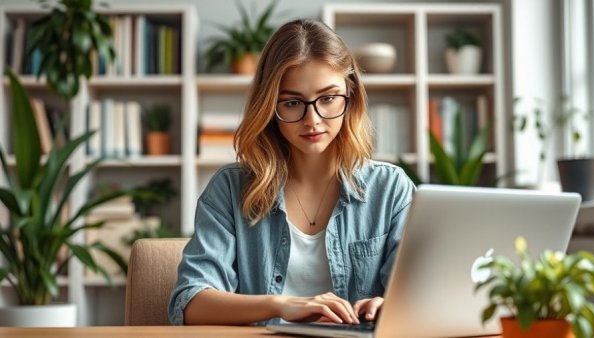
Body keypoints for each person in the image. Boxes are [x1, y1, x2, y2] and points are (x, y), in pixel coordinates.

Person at [168, 18, 415, 326]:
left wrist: (387, 305)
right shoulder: (230, 189)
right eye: (292, 102)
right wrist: (281, 305)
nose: (312, 119)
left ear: (350, 95)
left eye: (327, 98)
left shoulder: (391, 189)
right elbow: (190, 303)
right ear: (270, 106)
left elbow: (420, 296)